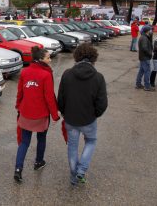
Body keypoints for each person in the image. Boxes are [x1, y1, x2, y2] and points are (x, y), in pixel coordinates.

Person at [58, 43, 108, 185]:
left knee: (72, 147)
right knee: (91, 142)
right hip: (88, 120)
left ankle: (75, 175)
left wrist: (64, 112)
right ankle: (81, 171)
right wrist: (94, 115)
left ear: (76, 56)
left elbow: (60, 98)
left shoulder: (67, 74)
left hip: (71, 119)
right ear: (94, 58)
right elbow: (102, 103)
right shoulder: (98, 77)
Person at [14, 47, 60, 183]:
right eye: (48, 58)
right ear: (40, 59)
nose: (50, 60)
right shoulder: (46, 75)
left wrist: (18, 106)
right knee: (41, 139)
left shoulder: (25, 71)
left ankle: (18, 169)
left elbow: (20, 93)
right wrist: (54, 115)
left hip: (26, 112)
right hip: (41, 114)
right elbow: (49, 97)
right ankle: (38, 162)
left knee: (24, 142)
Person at [135, 25, 154, 91]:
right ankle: (147, 86)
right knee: (147, 72)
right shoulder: (144, 38)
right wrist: (150, 54)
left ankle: (138, 84)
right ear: (148, 31)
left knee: (141, 71)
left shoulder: (144, 37)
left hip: (143, 57)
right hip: (145, 57)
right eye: (151, 30)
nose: (151, 31)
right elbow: (144, 48)